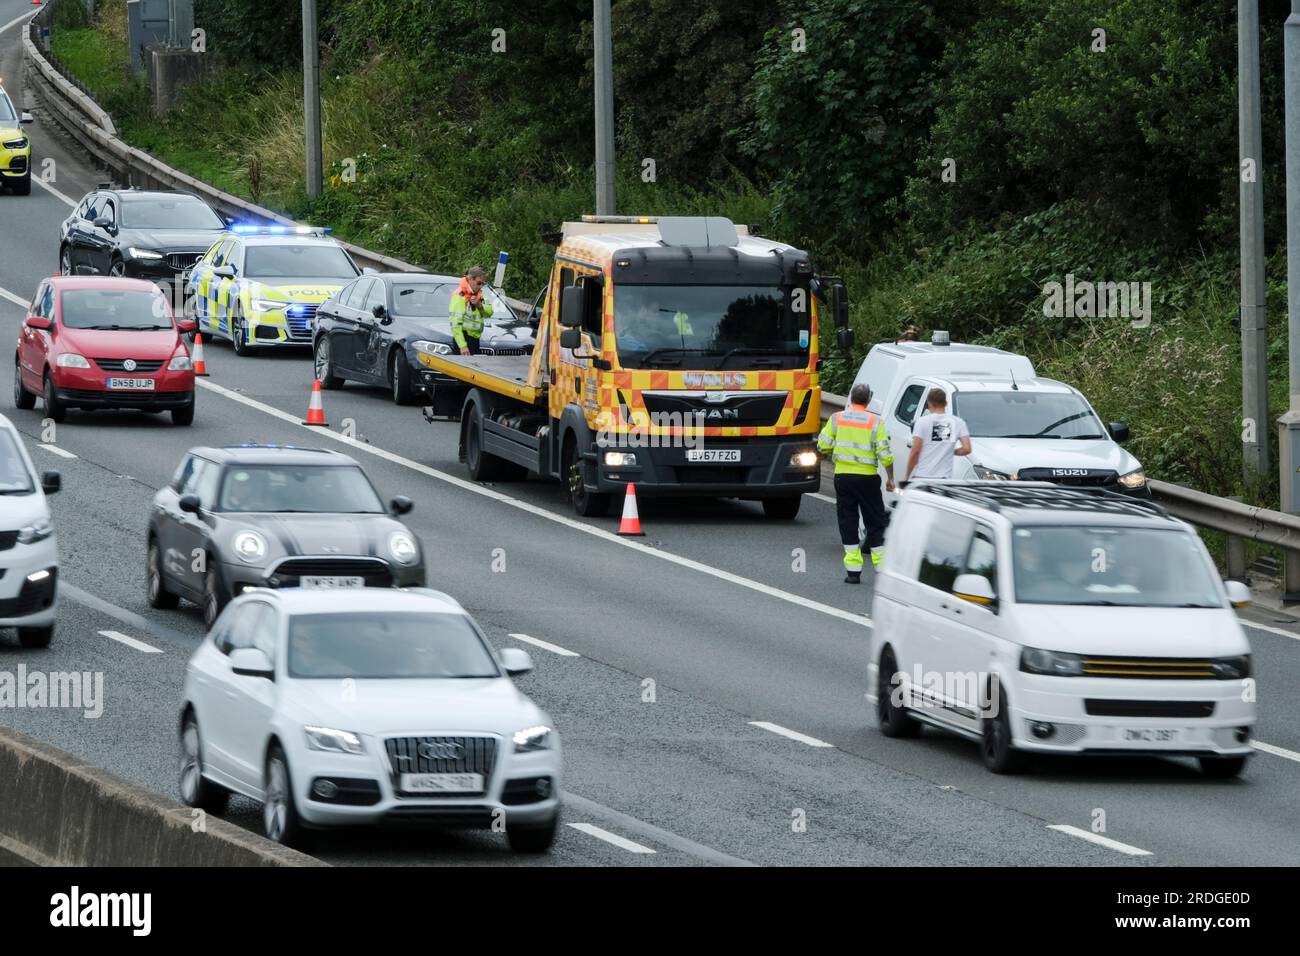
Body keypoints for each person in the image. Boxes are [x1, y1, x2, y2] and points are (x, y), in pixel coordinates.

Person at [818, 383, 895, 583]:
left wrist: (839, 450)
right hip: (868, 478)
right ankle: (882, 570)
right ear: (868, 400)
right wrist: (891, 478)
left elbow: (822, 445)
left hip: (843, 478)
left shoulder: (836, 418)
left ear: (851, 398)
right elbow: (885, 455)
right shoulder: (876, 422)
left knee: (848, 521)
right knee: (876, 521)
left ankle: (853, 572)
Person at [904, 388, 972, 482]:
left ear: (929, 403)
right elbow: (967, 449)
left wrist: (907, 476)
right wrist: (950, 451)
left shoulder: (922, 422)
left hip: (922, 478)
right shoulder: (958, 422)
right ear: (946, 403)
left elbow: (916, 451)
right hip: (943, 480)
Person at [449, 265, 494, 355]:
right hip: (464, 339)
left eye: (483, 284)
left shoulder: (480, 294)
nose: (481, 286)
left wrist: (480, 305)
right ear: (470, 279)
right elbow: (455, 323)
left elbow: (490, 312)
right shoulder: (460, 295)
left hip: (475, 339)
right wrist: (462, 346)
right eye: (479, 283)